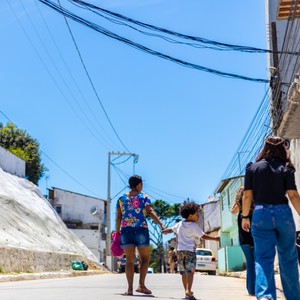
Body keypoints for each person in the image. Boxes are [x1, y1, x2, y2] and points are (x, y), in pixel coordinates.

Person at [242, 136, 300, 300]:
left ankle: (266, 296)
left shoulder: (252, 168)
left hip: (260, 214)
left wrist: (245, 216)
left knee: (263, 258)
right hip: (283, 214)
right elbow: (293, 195)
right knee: (288, 257)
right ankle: (294, 297)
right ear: (283, 148)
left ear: (264, 148)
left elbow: (247, 196)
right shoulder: (286, 168)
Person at [115, 175, 165, 296]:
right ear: (138, 185)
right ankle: (141, 285)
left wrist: (117, 232)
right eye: (141, 184)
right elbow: (150, 211)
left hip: (126, 230)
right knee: (145, 259)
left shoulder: (121, 198)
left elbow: (118, 217)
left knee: (129, 261)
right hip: (141, 230)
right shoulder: (144, 197)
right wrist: (161, 224)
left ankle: (130, 289)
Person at [163, 201, 220, 300]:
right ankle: (188, 290)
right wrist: (215, 238)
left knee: (183, 272)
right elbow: (203, 236)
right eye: (197, 214)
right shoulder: (193, 226)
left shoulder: (180, 224)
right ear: (190, 216)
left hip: (180, 252)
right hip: (190, 252)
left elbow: (171, 230)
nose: (198, 216)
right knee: (190, 271)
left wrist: (165, 231)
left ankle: (187, 292)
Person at [231, 186, 255, 296]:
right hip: (255, 240)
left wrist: (237, 201)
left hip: (244, 241)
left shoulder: (241, 212)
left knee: (250, 264)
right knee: (258, 263)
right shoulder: (256, 209)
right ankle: (258, 288)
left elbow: (232, 211)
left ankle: (251, 289)